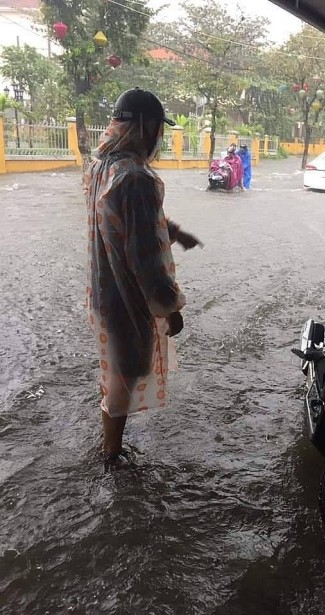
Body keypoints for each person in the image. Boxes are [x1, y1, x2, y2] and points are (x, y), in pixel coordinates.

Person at [85, 87, 202, 464]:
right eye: (157, 128)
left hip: (104, 288)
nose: (159, 138)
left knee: (120, 367)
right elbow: (145, 255)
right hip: (128, 294)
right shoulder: (137, 178)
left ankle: (111, 444)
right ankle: (111, 453)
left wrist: (176, 231)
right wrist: (169, 307)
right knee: (129, 370)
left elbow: (133, 222)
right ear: (145, 126)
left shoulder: (103, 166)